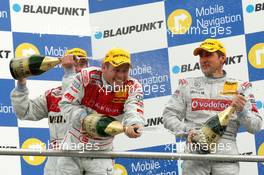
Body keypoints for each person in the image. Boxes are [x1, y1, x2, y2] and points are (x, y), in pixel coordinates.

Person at [162, 38, 262, 175]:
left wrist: (242, 110)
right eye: (201, 56)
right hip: (194, 156)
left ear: (222, 58)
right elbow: (168, 116)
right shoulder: (187, 85)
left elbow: (255, 126)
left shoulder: (241, 87)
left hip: (225, 155)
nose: (203, 60)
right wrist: (187, 131)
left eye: (208, 55)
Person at [58, 48, 145, 175]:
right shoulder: (86, 77)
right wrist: (83, 119)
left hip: (102, 151)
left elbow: (134, 109)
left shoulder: (133, 86)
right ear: (104, 67)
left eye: (125, 71)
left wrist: (134, 125)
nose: (121, 75)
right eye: (116, 70)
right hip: (72, 147)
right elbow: (66, 103)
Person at [10, 48, 89, 175]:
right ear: (63, 64)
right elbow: (25, 111)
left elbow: (75, 97)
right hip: (56, 163)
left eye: (81, 62)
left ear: (87, 66)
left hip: (87, 158)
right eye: (73, 62)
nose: (76, 67)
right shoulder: (53, 95)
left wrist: (70, 73)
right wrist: (21, 83)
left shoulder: (96, 93)